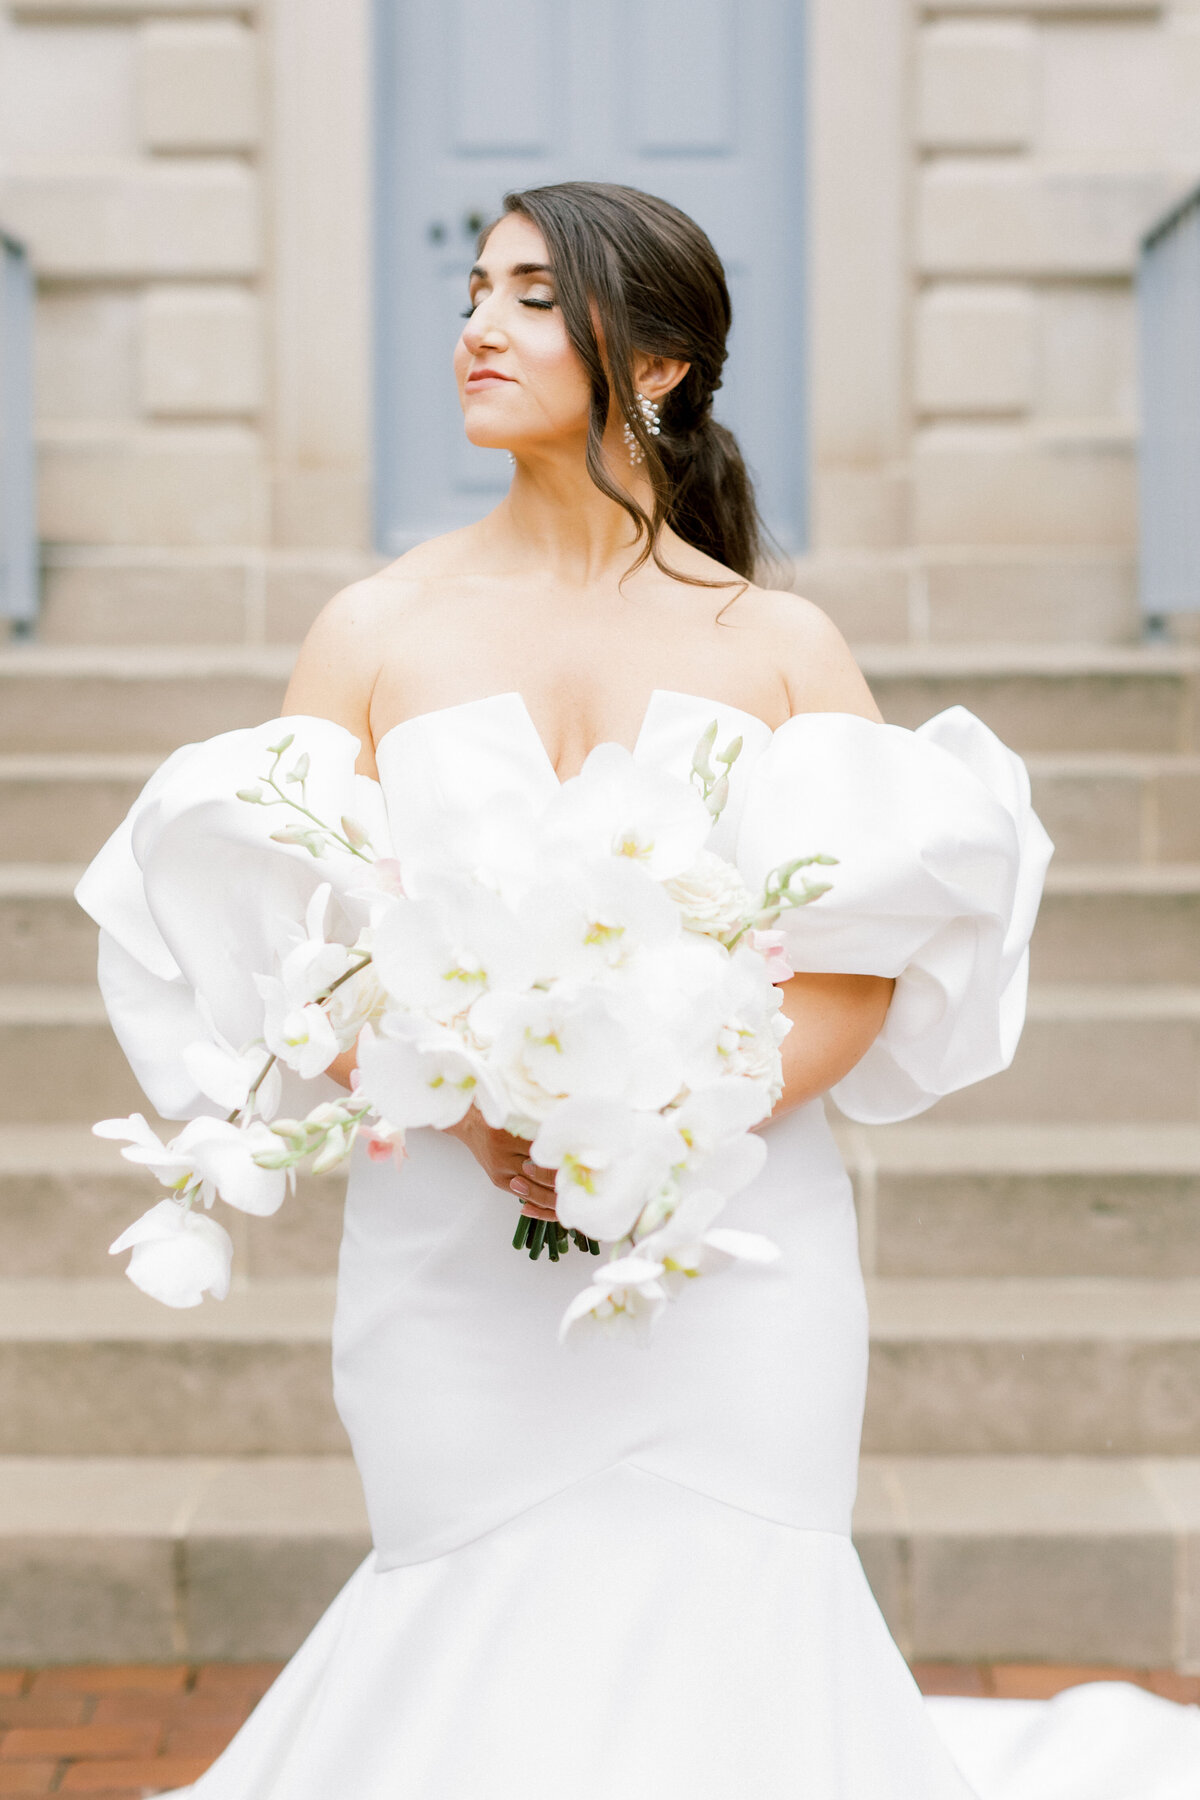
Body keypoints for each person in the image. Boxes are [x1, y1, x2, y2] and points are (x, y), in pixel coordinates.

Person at [76, 182, 1199, 1797]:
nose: (476, 323)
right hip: (456, 1256)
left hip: (734, 1246)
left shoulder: (784, 643)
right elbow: (297, 948)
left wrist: (660, 1124)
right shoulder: (373, 629)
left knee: (738, 1609)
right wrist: (482, 1126)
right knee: (474, 1602)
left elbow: (861, 969)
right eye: (474, 289)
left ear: (657, 364)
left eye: (533, 296)